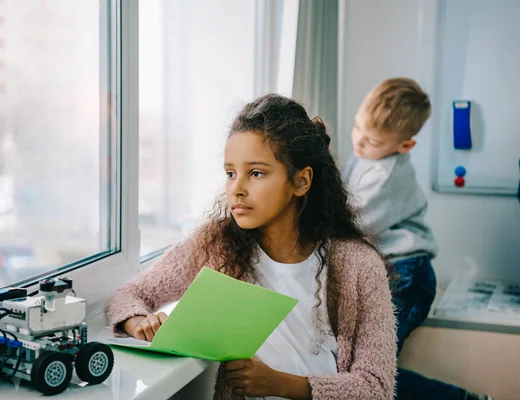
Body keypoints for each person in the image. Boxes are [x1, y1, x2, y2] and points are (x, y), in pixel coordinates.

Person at [105, 94, 396, 399]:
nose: (237, 189)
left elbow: (376, 387)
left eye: (256, 173)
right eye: (230, 173)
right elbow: (128, 296)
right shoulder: (216, 245)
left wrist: (281, 384)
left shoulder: (358, 265)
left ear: (301, 181)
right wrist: (138, 322)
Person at [341, 77, 492, 400]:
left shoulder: (387, 177)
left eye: (371, 140)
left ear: (404, 146)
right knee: (351, 370)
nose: (359, 142)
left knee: (367, 375)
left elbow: (346, 227)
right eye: (357, 128)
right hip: (384, 273)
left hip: (407, 276)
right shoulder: (366, 156)